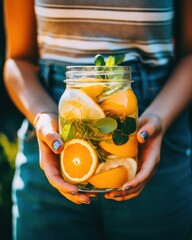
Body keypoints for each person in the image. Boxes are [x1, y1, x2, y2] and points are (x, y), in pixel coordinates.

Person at [3, 0, 192, 239]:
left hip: (158, 138)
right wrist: (43, 116)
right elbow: (17, 60)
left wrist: (158, 118)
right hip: (49, 141)